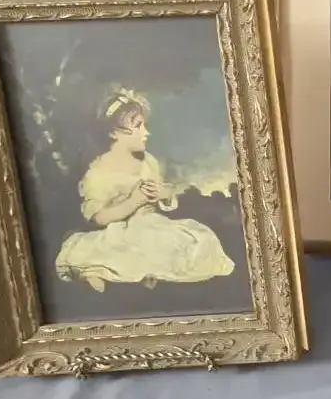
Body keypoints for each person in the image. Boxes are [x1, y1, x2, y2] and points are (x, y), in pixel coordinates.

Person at [54, 87, 235, 292]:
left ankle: (147, 273)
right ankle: (98, 272)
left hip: (153, 225)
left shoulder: (148, 161)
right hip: (120, 230)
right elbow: (99, 218)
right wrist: (134, 201)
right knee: (113, 248)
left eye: (144, 125)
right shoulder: (98, 171)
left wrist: (164, 194)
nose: (146, 132)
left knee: (200, 238)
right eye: (138, 126)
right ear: (113, 133)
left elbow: (164, 192)